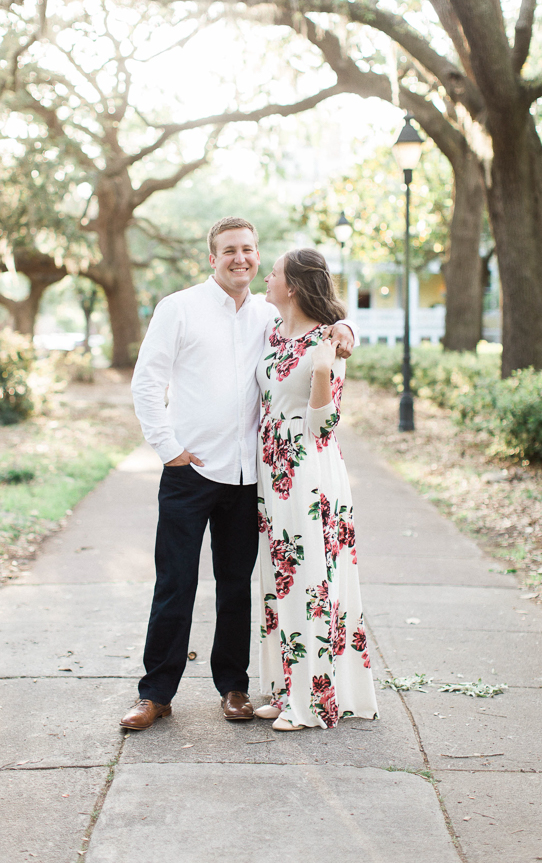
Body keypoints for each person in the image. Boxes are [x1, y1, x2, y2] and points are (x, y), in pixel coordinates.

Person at [120, 217, 357, 730]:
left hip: (250, 476)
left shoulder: (268, 318)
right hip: (190, 471)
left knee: (236, 587)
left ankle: (234, 687)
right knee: (175, 584)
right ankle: (155, 694)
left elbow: (315, 329)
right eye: (229, 250)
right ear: (213, 258)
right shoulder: (178, 308)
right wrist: (167, 448)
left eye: (249, 249)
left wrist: (345, 328)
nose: (241, 259)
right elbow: (147, 382)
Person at [254, 248, 378, 731]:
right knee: (279, 579)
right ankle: (287, 689)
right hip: (273, 474)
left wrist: (325, 366)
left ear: (294, 286)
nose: (266, 278)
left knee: (308, 581)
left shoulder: (327, 341)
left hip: (308, 474)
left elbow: (325, 424)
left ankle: (312, 702)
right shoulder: (272, 332)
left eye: (275, 273)